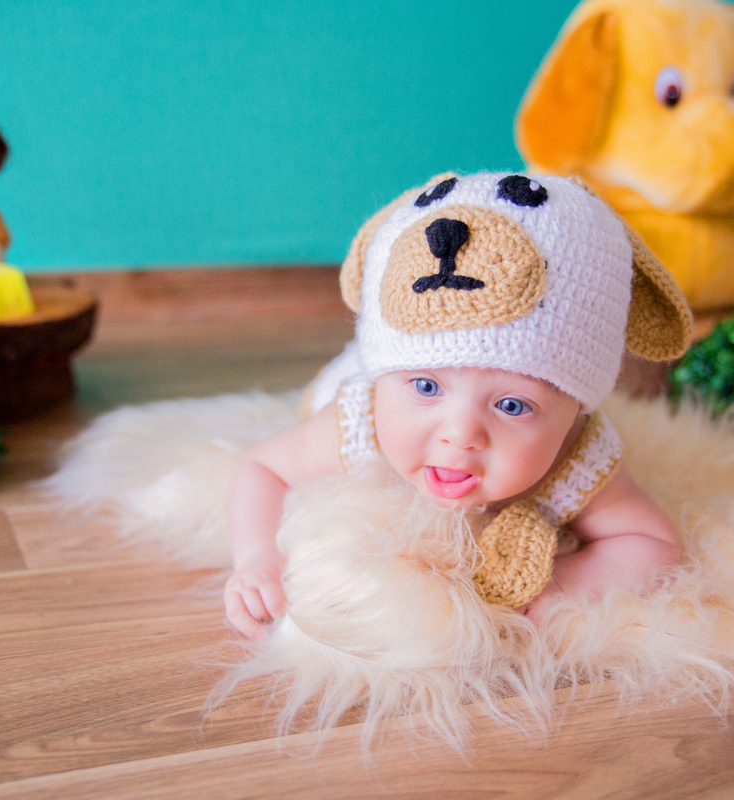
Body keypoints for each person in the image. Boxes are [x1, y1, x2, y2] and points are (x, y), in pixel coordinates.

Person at [224, 172, 694, 639]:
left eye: (512, 405)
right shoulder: (358, 421)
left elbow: (650, 542)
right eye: (427, 388)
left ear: (575, 409)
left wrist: (563, 585)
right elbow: (265, 469)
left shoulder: (577, 458)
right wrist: (258, 556)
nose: (460, 434)